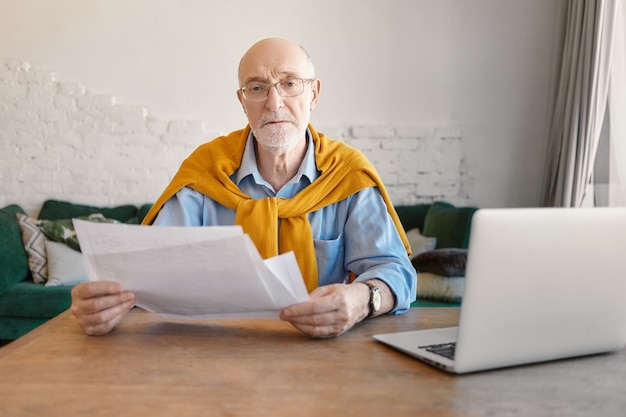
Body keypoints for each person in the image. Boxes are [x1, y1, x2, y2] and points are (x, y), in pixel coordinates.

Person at [71, 37, 417, 338]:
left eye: (290, 83)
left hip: (320, 349)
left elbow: (395, 271)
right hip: (214, 348)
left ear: (314, 93)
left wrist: (362, 300)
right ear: (242, 100)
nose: (274, 102)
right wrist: (105, 302)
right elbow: (148, 272)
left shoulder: (347, 175)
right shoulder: (205, 172)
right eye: (257, 87)